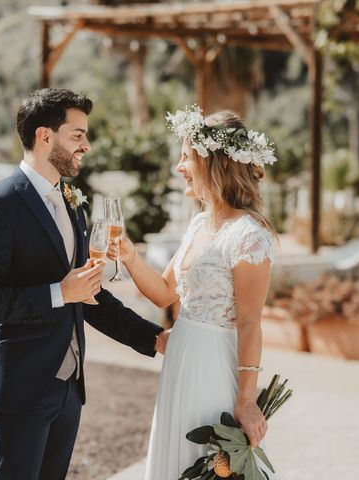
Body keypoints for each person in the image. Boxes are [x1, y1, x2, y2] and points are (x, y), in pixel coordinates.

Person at [0, 88, 164, 480]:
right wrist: (58, 293)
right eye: (77, 135)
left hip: (68, 392)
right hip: (17, 392)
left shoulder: (71, 203)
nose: (86, 145)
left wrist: (155, 339)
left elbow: (89, 293)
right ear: (44, 137)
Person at [108, 106, 278, 479]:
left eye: (185, 157)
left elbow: (250, 323)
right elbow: (165, 293)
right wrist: (131, 257)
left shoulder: (249, 235)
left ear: (211, 161)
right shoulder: (200, 223)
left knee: (207, 463)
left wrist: (246, 400)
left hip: (214, 367)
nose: (179, 167)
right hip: (180, 361)